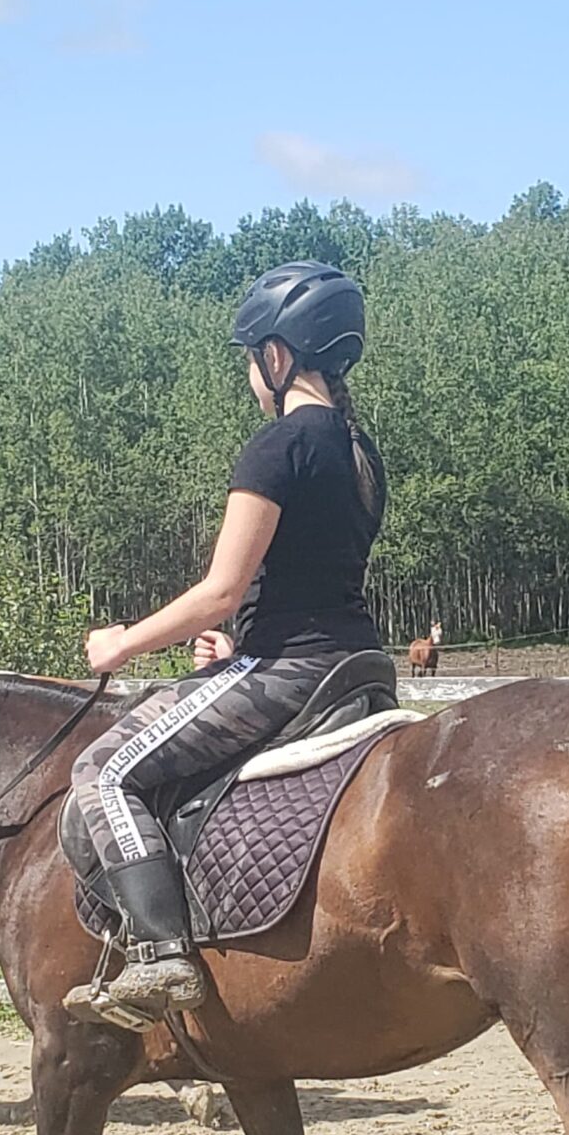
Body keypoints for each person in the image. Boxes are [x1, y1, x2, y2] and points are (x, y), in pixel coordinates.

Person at [62, 261, 388, 1024]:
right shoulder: (360, 452)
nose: (249, 374)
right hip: (354, 664)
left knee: (102, 771)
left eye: (250, 358)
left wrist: (121, 645)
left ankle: (161, 952)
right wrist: (235, 647)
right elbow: (308, 579)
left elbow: (220, 591)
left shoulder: (277, 446)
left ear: (277, 356)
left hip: (289, 671)